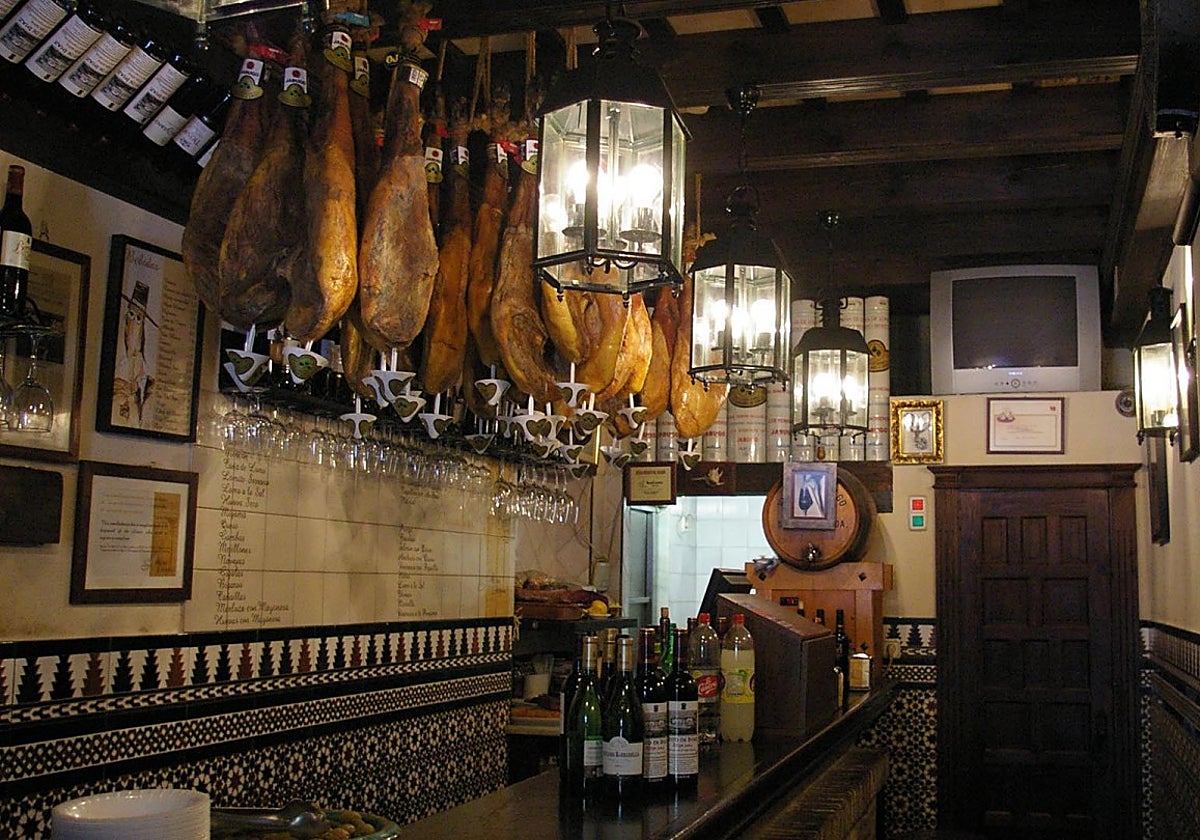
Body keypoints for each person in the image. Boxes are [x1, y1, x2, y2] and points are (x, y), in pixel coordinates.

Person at [113, 280, 155, 425]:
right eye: (131, 316)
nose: (134, 325)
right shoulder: (120, 358)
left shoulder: (141, 362)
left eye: (138, 319)